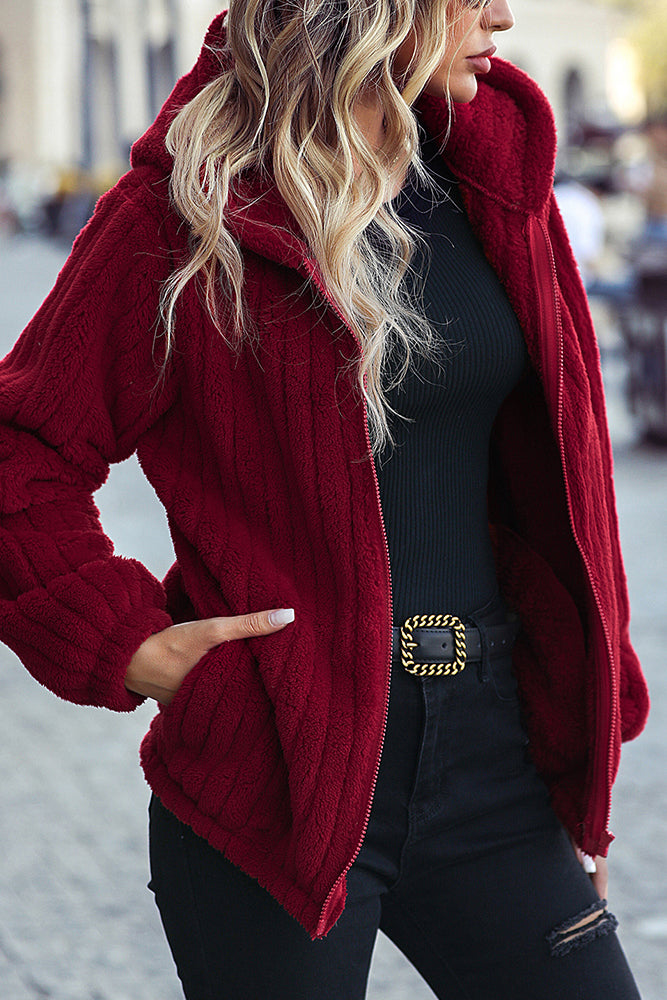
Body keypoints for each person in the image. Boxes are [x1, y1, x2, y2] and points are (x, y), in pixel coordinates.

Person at [0, 2, 649, 997]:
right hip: (277, 776)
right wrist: (123, 640)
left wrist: (572, 761)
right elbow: (22, 448)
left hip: (494, 754)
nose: (503, 15)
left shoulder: (495, 187)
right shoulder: (184, 214)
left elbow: (559, 489)